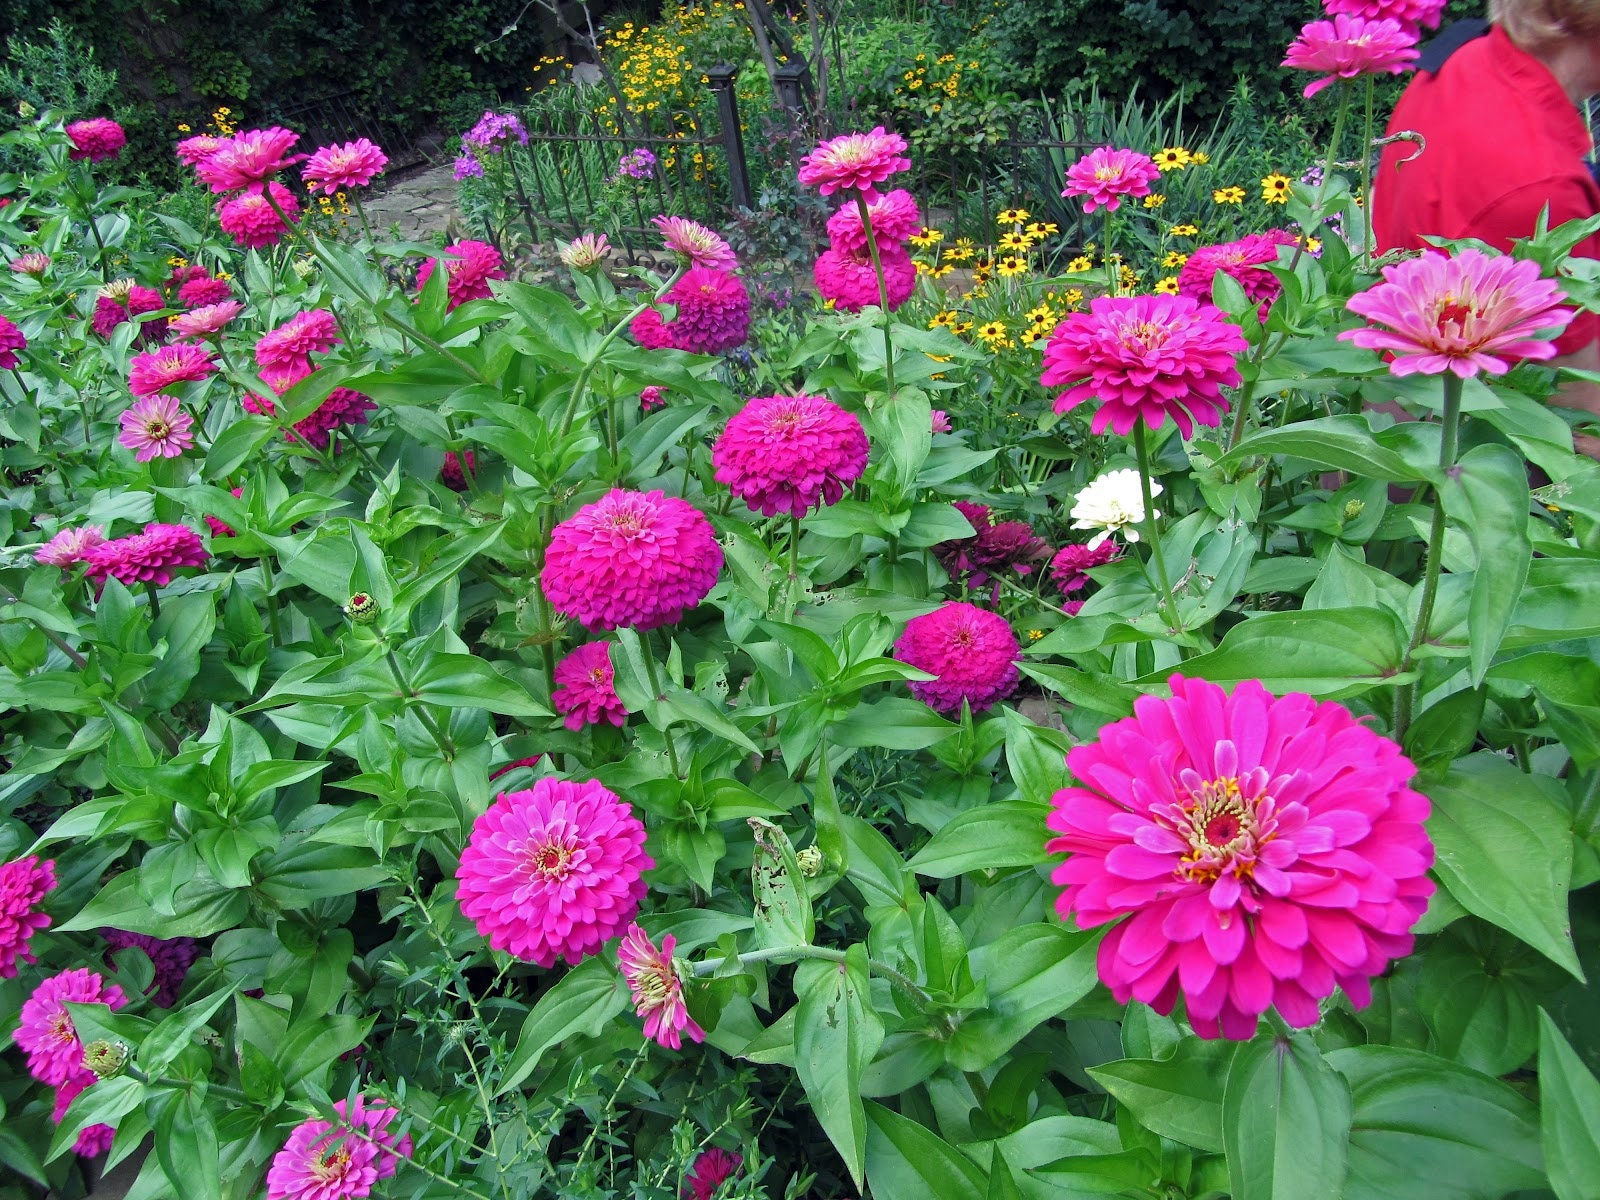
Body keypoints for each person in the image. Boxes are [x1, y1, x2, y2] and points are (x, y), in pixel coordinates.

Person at [1371, 0, 1600, 458]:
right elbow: (1582, 414)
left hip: (1389, 407)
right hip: (1464, 448)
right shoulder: (1542, 185)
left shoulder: (1462, 59)